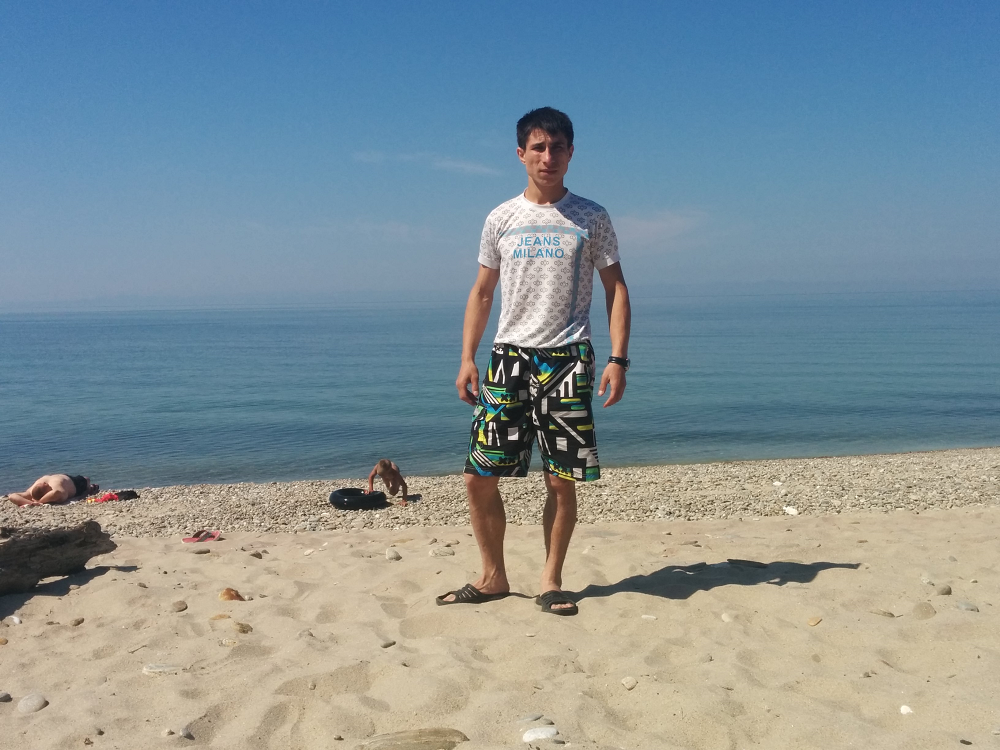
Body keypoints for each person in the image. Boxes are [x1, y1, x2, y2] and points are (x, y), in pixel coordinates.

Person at [439, 107, 631, 615]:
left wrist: (618, 359)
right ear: (521, 153)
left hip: (567, 359)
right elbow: (483, 292)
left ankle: (551, 580)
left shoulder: (591, 216)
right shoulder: (501, 218)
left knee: (560, 478)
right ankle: (493, 576)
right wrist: (467, 357)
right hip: (508, 358)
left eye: (558, 147)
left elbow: (616, 288)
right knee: (478, 476)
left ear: (571, 152)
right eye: (539, 148)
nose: (549, 157)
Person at [5, 474, 99, 507]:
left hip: (67, 479)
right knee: (86, 479)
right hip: (73, 483)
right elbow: (56, 493)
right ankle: (90, 487)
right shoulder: (56, 488)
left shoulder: (32, 492)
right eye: (45, 485)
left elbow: (12, 496)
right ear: (46, 490)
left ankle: (90, 487)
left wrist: (36, 502)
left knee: (85, 479)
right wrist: (34, 503)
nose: (45, 483)